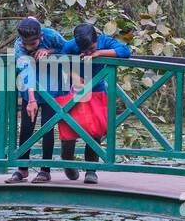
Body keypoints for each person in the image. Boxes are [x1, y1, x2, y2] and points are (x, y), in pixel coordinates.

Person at [54, 23, 131, 184]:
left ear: (96, 39)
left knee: (95, 132)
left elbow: (125, 51)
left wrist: (99, 53)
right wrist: (73, 75)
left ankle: (91, 170)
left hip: (96, 91)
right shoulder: (71, 46)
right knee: (69, 131)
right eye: (84, 51)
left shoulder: (104, 42)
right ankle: (67, 161)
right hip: (74, 92)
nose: (88, 52)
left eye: (91, 48)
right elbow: (59, 58)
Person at [5, 17, 67, 183]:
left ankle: (45, 169)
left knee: (47, 127)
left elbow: (68, 49)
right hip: (30, 89)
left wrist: (50, 51)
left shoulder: (51, 36)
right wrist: (31, 100)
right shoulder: (19, 45)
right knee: (26, 127)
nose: (28, 47)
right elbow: (26, 70)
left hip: (52, 86)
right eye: (26, 44)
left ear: (40, 36)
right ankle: (22, 168)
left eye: (32, 44)